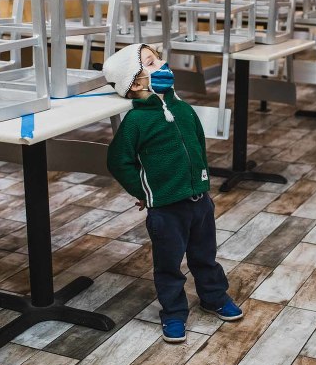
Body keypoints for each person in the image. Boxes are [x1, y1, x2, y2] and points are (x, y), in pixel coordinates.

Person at [104, 43, 243, 343]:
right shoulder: (136, 122)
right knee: (168, 265)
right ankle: (174, 312)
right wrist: (142, 191)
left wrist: (203, 181)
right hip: (165, 211)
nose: (163, 64)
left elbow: (197, 145)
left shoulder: (183, 109)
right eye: (152, 63)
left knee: (205, 256)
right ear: (136, 83)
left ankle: (214, 297)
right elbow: (118, 161)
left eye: (159, 58)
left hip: (200, 203)